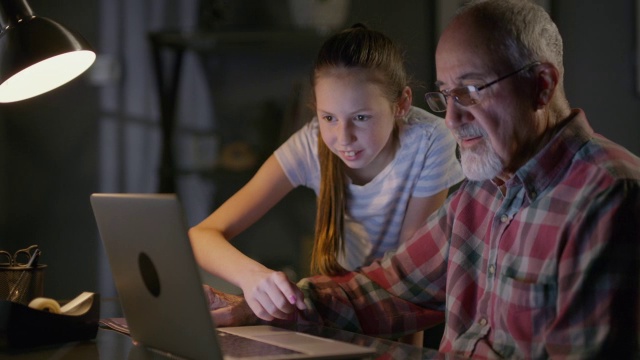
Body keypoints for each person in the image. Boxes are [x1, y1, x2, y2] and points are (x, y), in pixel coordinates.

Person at [201, 0, 640, 358]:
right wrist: (268, 308)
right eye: (446, 96)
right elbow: (390, 289)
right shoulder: (481, 192)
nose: (451, 118)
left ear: (542, 86)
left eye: (469, 92)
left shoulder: (607, 197)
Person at [189, 24, 464, 345]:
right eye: (329, 117)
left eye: (361, 118)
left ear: (401, 104)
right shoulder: (310, 144)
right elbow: (201, 235)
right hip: (330, 315)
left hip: (392, 318)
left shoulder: (429, 140)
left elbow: (408, 281)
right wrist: (254, 278)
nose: (343, 138)